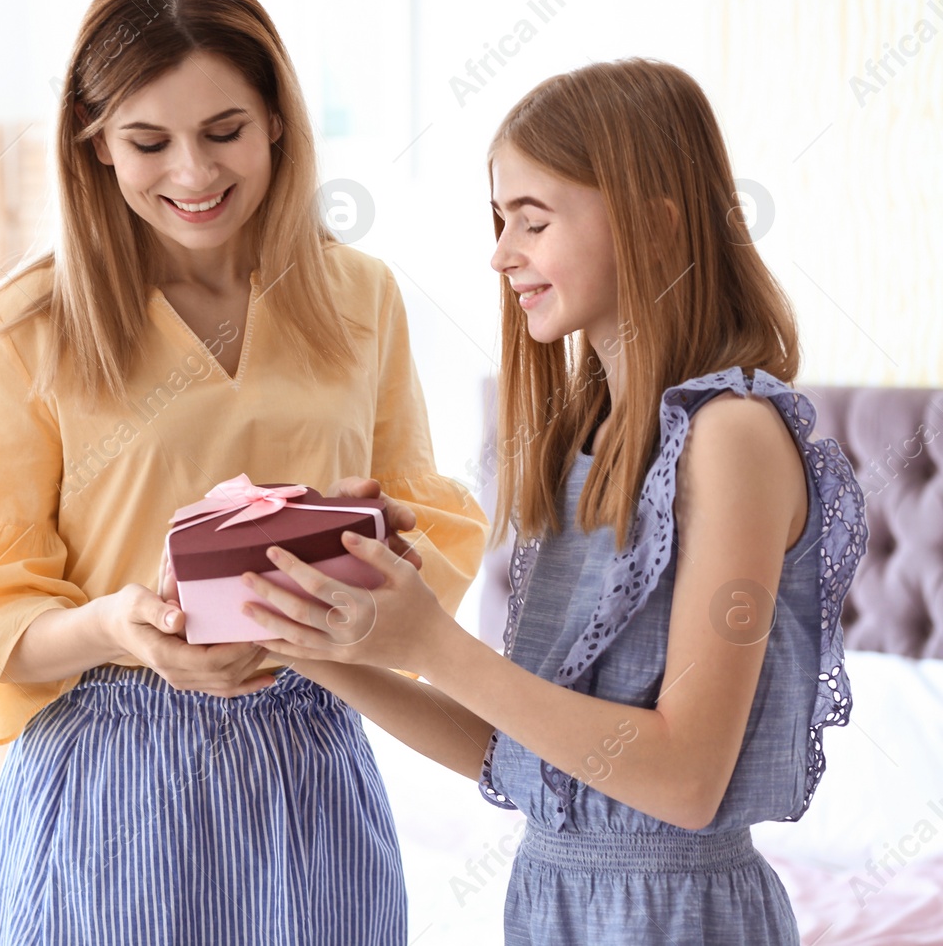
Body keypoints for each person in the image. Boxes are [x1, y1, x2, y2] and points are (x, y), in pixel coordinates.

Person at [0, 0, 487, 944]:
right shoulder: (27, 326)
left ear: (275, 121)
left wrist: (370, 557)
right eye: (148, 141)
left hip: (311, 756)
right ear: (94, 146)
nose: (192, 173)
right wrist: (118, 627)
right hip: (108, 772)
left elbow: (429, 520)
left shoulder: (361, 298)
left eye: (223, 132)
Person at [242, 58, 870, 944]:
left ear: (656, 225)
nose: (502, 255)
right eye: (501, 222)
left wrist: (434, 643)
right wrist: (318, 640)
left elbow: (687, 778)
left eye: (532, 221)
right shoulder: (589, 439)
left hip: (677, 918)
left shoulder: (733, 436)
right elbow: (513, 755)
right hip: (550, 902)